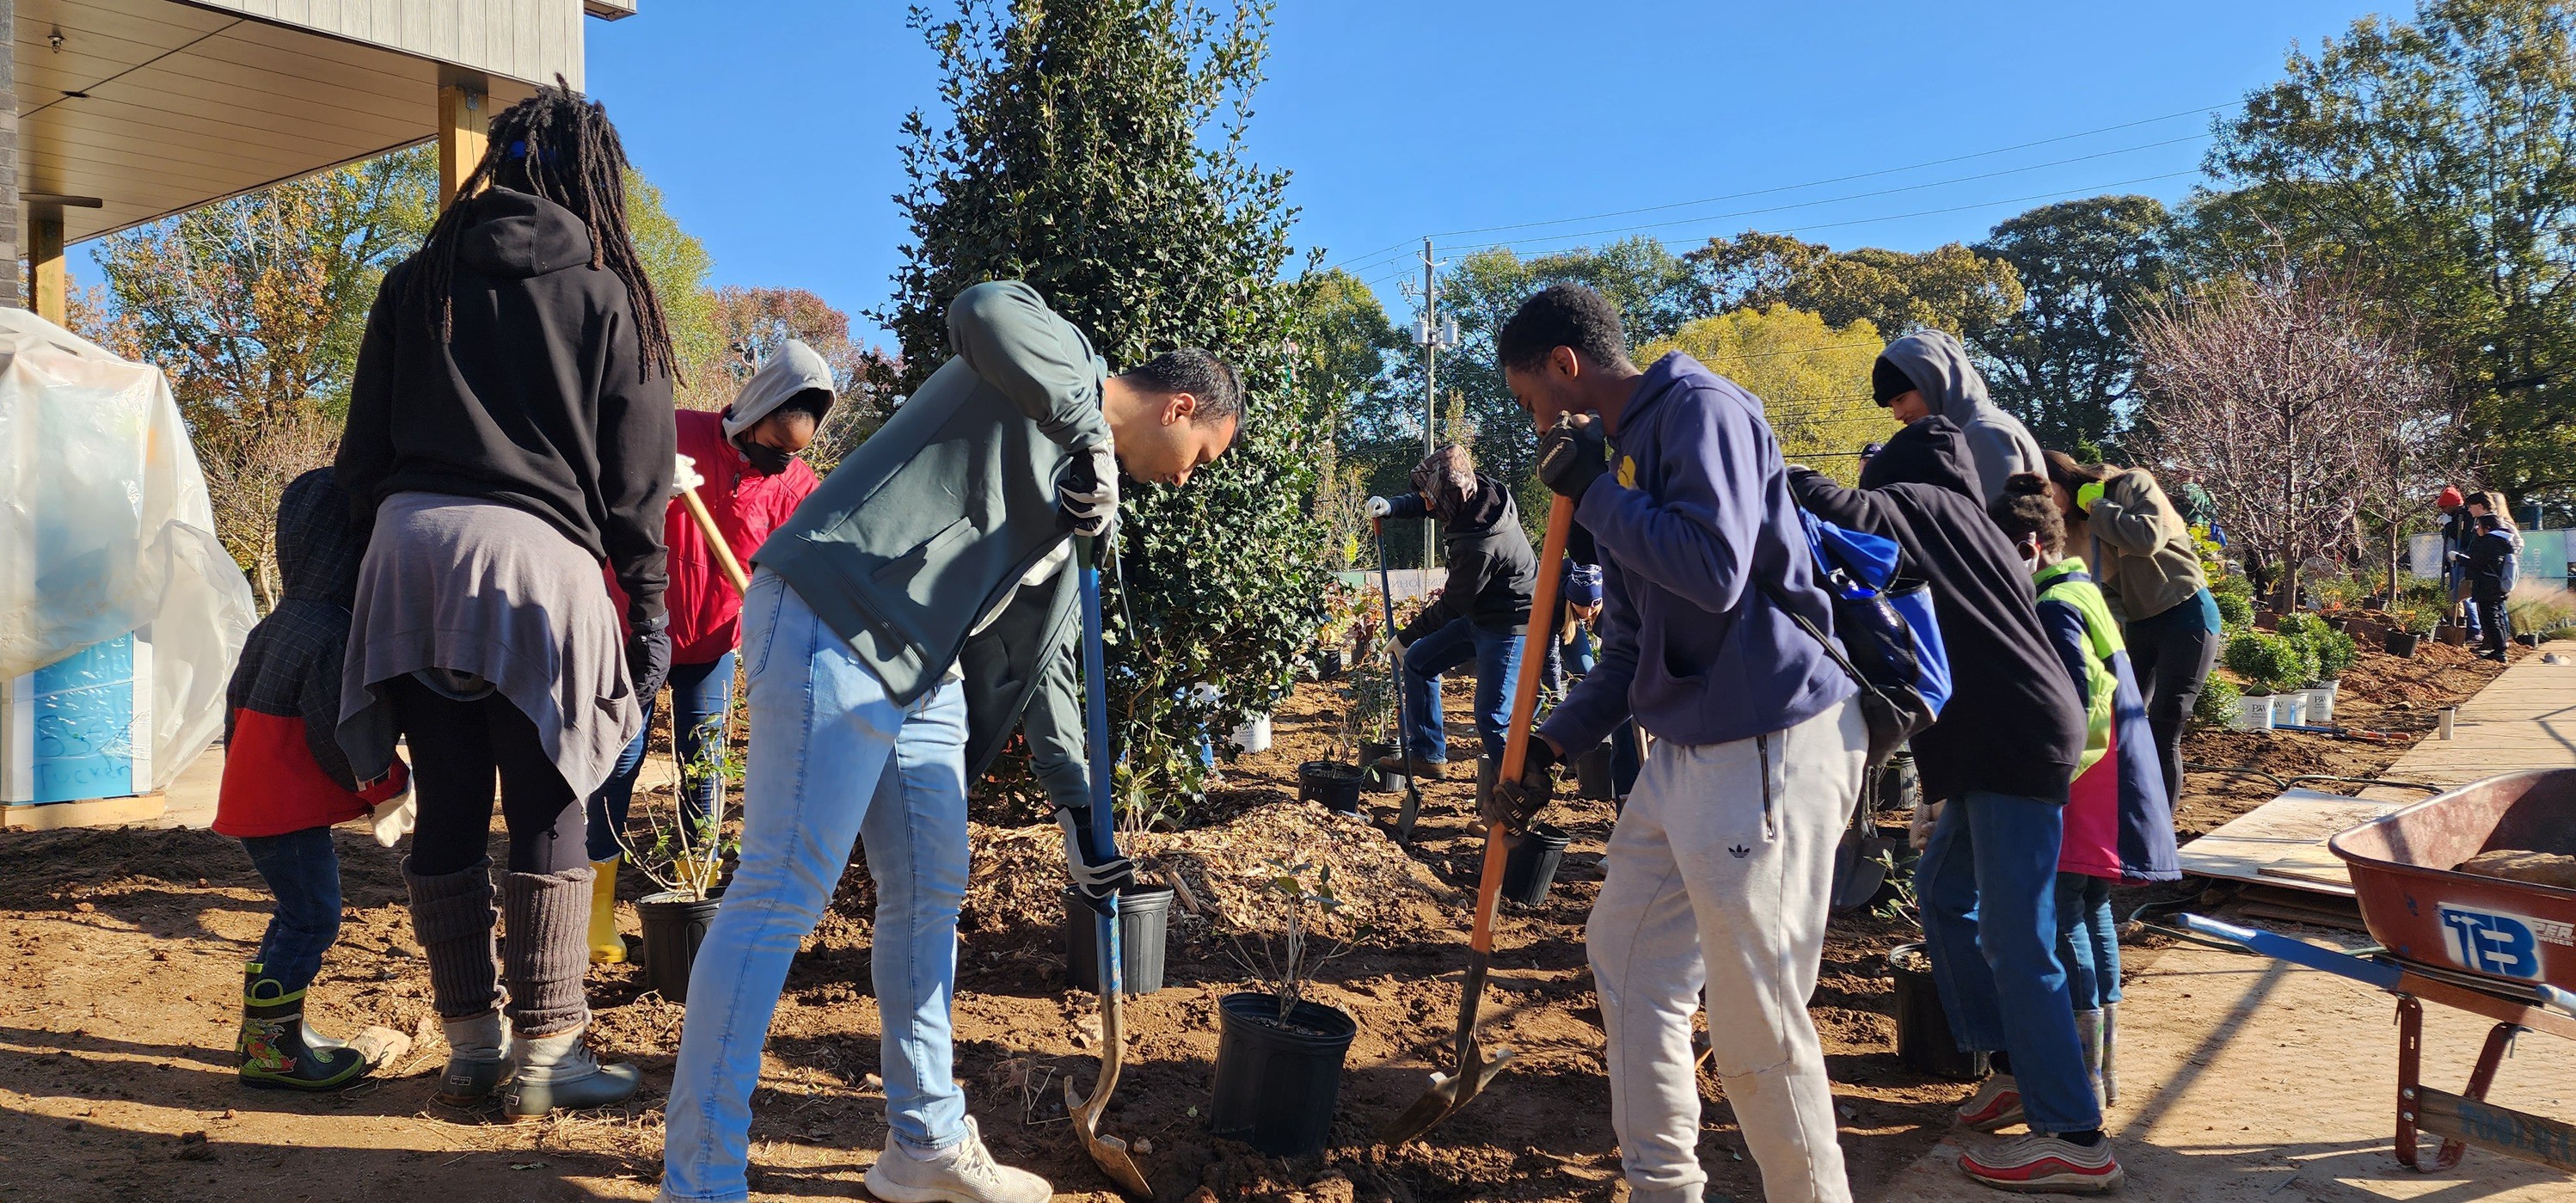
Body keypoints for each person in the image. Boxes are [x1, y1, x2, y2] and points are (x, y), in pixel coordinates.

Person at [657, 279, 1240, 1203]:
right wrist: (1086, 434)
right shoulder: (1062, 359)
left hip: (926, 671)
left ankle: (921, 1141)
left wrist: (1078, 811)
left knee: (930, 890)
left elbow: (1049, 659)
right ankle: (699, 1179)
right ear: (1178, 406)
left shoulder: (1095, 500)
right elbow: (981, 308)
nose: (1185, 476)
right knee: (778, 891)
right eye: (1198, 453)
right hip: (832, 615)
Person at [1487, 284, 1868, 1203]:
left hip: (1767, 738)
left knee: (1756, 1025)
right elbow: (1627, 648)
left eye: (1525, 395)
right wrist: (1547, 746)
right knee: (1625, 958)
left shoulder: (1702, 410)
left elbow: (1712, 570)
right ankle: (1661, 1188)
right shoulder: (1616, 460)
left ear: (1563, 367)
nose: (1529, 419)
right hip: (1685, 751)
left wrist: (1592, 500)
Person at [335, 84, 674, 1120]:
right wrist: (651, 611)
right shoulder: (607, 295)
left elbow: (362, 460)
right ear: (588, 176)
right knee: (546, 808)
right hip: (538, 568)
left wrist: (337, 587)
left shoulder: (416, 280)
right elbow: (635, 479)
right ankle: (550, 1054)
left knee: (446, 806)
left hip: (411, 558)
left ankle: (471, 1049)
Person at [1787, 420, 2113, 1193]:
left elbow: (1840, 505)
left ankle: (2077, 1133)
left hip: (2013, 742)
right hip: (1992, 742)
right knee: (1941, 892)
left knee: (2018, 937)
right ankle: (2007, 1063)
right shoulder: (1972, 521)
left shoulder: (1933, 504)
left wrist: (1764, 463)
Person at [583, 341, 834, 964]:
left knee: (706, 766)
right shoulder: (671, 433)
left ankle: (693, 892)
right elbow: (595, 480)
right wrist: (645, 486)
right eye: (769, 447)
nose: (776, 463)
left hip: (717, 641)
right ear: (751, 412)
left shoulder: (796, 487)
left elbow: (815, 563)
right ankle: (594, 908)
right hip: (636, 630)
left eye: (790, 456)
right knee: (621, 757)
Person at [213, 470, 413, 1091]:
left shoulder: (273, 625)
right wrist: (387, 783)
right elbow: (337, 734)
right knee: (314, 919)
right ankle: (273, 1053)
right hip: (285, 812)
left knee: (293, 913)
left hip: (259, 804)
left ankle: (267, 1033)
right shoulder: (332, 633)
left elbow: (233, 711)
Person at [1989, 473, 2181, 1108]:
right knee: (2094, 907)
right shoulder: (2083, 587)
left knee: (2067, 911)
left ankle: (2082, 1080)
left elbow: (2079, 699)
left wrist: (2045, 771)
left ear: (2029, 548)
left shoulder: (2054, 605)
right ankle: (2104, 1070)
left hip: (2083, 782)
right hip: (2117, 771)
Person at [2042, 451, 2217, 812]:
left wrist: (2098, 506)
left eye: (2046, 493)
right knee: (2119, 720)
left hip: (2185, 613)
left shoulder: (2131, 483)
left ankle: (2160, 827)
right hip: (2141, 623)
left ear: (2061, 478)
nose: (2045, 506)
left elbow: (2146, 538)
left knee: (2164, 724)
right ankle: (2124, 819)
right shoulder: (2074, 527)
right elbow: (2094, 584)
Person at [1364, 444, 1536, 780]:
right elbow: (1434, 500)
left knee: (1493, 720)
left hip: (1510, 624)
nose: (1428, 504)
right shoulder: (1477, 492)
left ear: (1451, 498)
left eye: (1432, 498)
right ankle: (1428, 753)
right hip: (1480, 614)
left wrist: (1405, 637)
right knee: (1419, 663)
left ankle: (1519, 798)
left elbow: (1452, 606)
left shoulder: (1480, 545)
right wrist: (1394, 507)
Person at [1872, 330, 2042, 506]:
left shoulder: (1984, 433)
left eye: (1901, 399)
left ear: (1934, 381)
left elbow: (2003, 525)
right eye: (1891, 406)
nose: (1898, 415)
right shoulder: (1966, 432)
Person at [2462, 512, 2518, 661]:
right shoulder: (2502, 541)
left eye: (2478, 526)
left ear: (2487, 528)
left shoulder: (2490, 541)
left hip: (2488, 586)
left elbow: (2478, 563)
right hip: (2497, 585)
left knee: (2491, 618)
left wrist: (2459, 558)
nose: (2476, 529)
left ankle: (2499, 651)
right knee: (2498, 616)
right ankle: (2500, 648)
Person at [2436, 487, 2479, 639]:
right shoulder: (2455, 516)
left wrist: (2448, 525)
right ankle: (2464, 626)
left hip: (2461, 560)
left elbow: (2461, 536)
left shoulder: (2465, 515)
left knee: (2461, 596)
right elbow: (2450, 538)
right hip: (2453, 562)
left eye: (2443, 507)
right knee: (2456, 596)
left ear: (2452, 505)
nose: (2443, 510)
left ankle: (2473, 629)